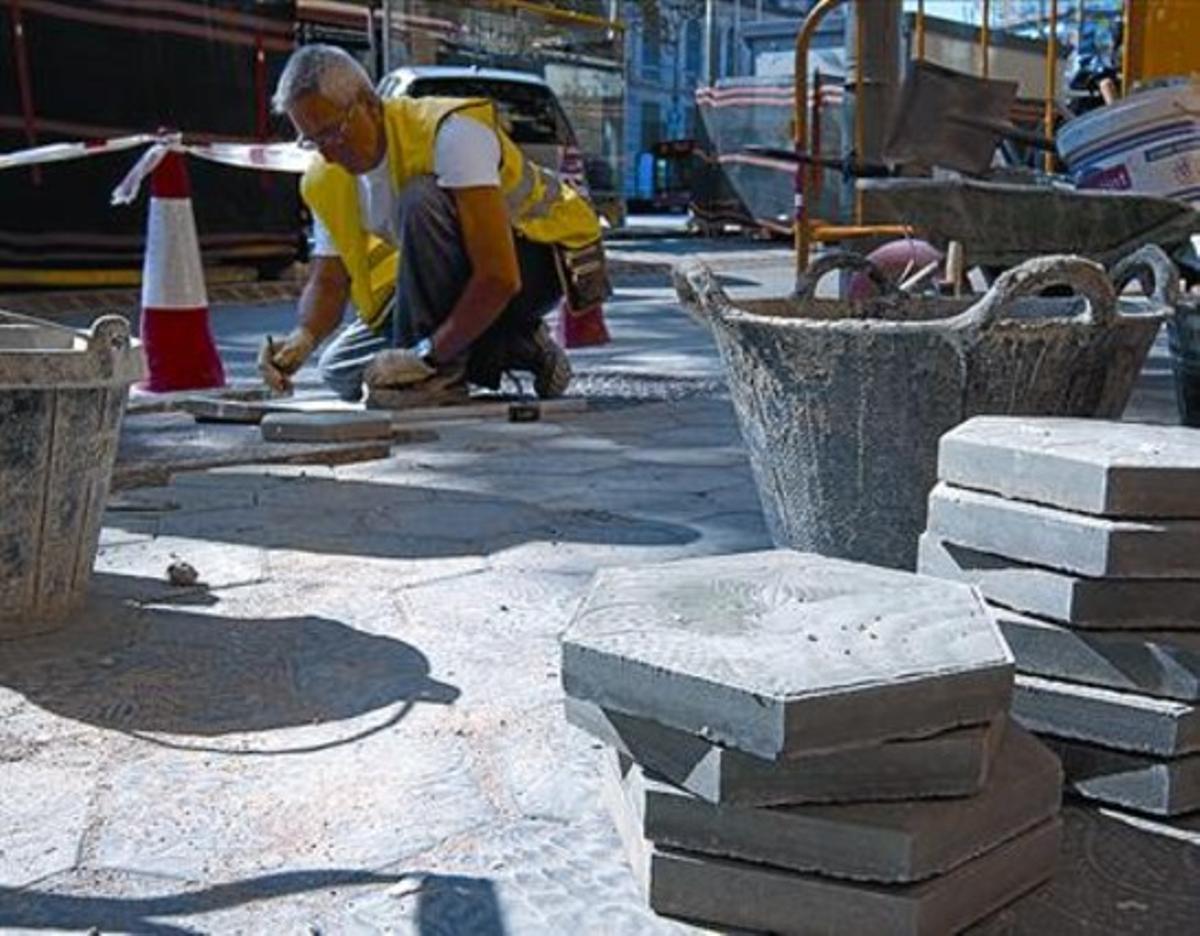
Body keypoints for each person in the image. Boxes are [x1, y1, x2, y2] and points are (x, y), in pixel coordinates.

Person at [259, 45, 605, 405]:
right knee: (340, 370)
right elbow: (328, 282)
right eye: (312, 140)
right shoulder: (324, 179)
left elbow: (499, 277)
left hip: (539, 259)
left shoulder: (452, 135)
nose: (328, 152)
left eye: (333, 132)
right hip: (451, 281)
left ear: (369, 104)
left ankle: (440, 374)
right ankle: (517, 345)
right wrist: (304, 336)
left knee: (420, 197)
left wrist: (424, 357)